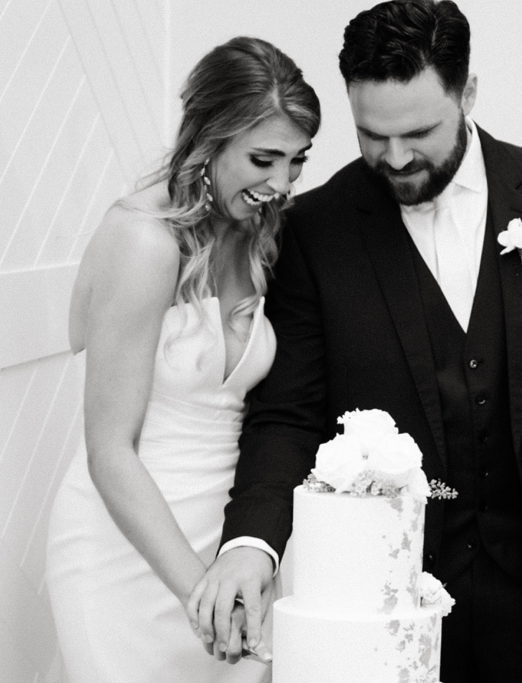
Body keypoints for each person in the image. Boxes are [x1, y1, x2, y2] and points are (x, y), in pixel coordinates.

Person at [188, 0, 522, 682]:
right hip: (387, 602)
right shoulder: (315, 229)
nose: (393, 158)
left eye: (418, 132)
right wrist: (252, 542)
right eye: (371, 135)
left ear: (468, 93)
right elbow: (287, 412)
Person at [45, 36, 320, 683]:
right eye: (263, 158)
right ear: (211, 137)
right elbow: (109, 448)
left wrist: (238, 566)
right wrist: (200, 593)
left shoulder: (258, 232)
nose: (281, 184)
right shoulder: (145, 240)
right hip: (129, 556)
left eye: (297, 161)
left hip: (225, 544)